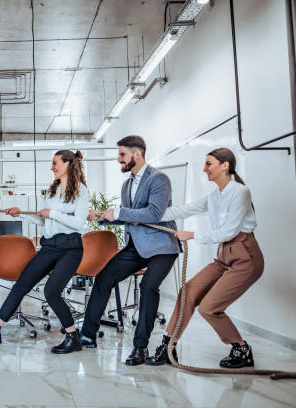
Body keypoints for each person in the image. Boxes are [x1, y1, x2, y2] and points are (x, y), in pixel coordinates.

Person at [146, 148, 262, 369]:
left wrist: (191, 235)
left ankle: (241, 348)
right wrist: (140, 215)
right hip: (224, 256)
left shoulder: (240, 192)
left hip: (245, 258)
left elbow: (228, 232)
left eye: (209, 164)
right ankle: (168, 347)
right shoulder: (214, 195)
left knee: (209, 307)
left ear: (225, 165)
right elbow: (180, 210)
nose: (204, 168)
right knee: (187, 292)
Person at [0, 150, 90, 354]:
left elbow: (79, 223)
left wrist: (52, 213)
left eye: (55, 163)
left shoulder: (81, 191)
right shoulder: (53, 191)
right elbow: (43, 219)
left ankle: (73, 336)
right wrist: (22, 215)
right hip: (49, 246)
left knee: (51, 291)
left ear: (68, 164)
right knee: (20, 286)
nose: (52, 167)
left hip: (70, 248)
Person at [84, 135, 180, 365]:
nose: (119, 159)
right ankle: (87, 335)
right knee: (104, 277)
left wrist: (118, 213)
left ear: (137, 154)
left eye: (122, 154)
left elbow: (153, 214)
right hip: (136, 245)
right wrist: (102, 218)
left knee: (148, 286)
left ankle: (140, 348)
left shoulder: (159, 179)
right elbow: (130, 218)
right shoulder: (127, 184)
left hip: (161, 246)